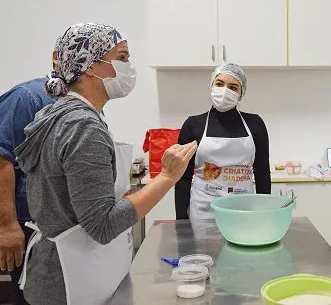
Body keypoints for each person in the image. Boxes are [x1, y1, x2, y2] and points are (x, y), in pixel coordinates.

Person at [13, 23, 198, 305]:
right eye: (122, 58)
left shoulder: (60, 114)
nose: (129, 66)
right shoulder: (82, 126)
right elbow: (102, 226)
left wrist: (117, 199)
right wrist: (168, 176)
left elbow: (71, 200)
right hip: (68, 283)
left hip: (53, 271)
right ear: (90, 66)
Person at [0, 36, 61, 304]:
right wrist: (7, 226)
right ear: (57, 57)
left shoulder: (84, 103)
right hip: (27, 225)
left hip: (61, 229)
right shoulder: (28, 97)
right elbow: (2, 160)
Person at [175, 63, 271, 220]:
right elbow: (182, 179)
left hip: (244, 211)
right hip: (203, 212)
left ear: (241, 94)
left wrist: (264, 214)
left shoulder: (255, 124)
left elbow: (262, 174)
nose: (225, 90)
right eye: (219, 84)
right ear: (211, 86)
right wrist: (180, 223)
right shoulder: (193, 125)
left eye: (233, 87)